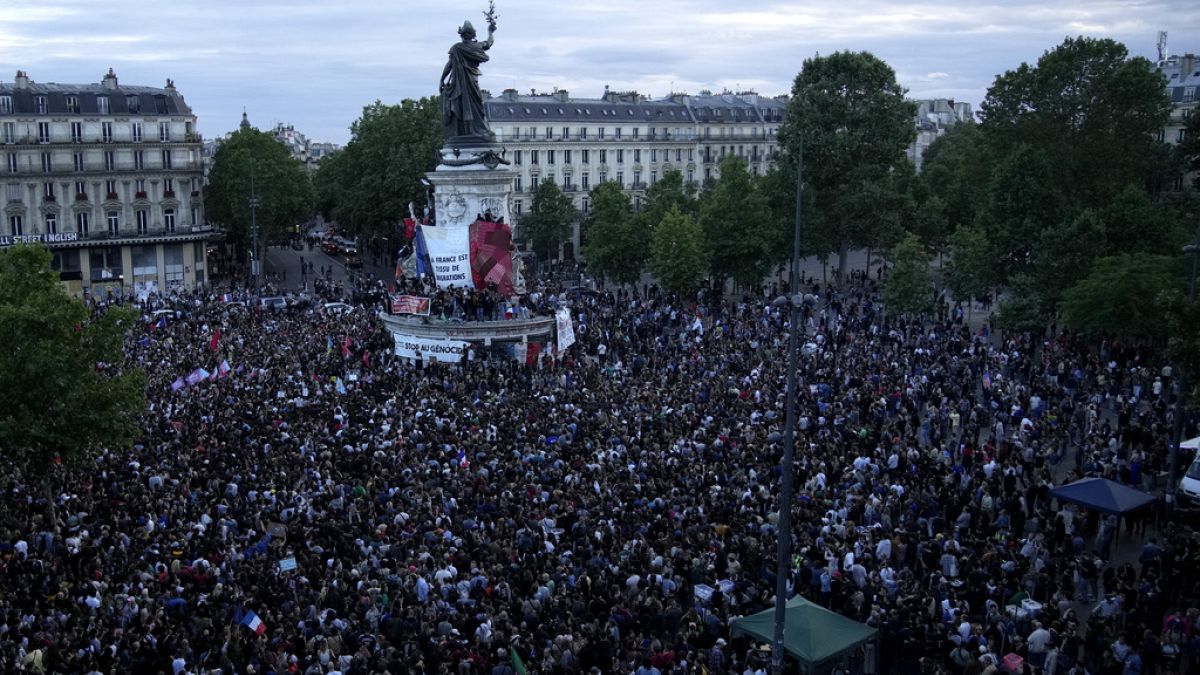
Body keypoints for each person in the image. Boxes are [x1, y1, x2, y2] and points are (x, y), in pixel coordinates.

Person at [439, 18, 496, 143]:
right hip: (471, 81)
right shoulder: (475, 46)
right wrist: (491, 31)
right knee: (477, 105)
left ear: (462, 35)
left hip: (460, 83)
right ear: (473, 34)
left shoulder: (457, 48)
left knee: (463, 105)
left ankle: (467, 131)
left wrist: (442, 79)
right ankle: (476, 130)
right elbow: (489, 43)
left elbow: (449, 65)